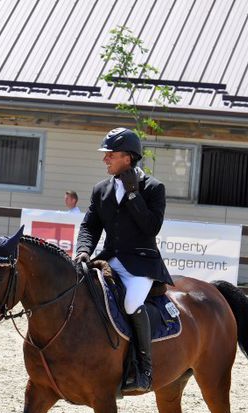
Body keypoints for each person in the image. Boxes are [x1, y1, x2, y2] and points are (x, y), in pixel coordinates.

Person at [73, 127, 173, 394]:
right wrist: (83, 250)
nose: (105, 159)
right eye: (106, 155)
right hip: (109, 259)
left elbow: (151, 228)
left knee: (130, 303)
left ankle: (144, 367)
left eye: (111, 155)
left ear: (128, 158)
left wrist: (132, 195)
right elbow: (89, 226)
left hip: (141, 264)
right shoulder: (101, 189)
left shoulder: (153, 188)